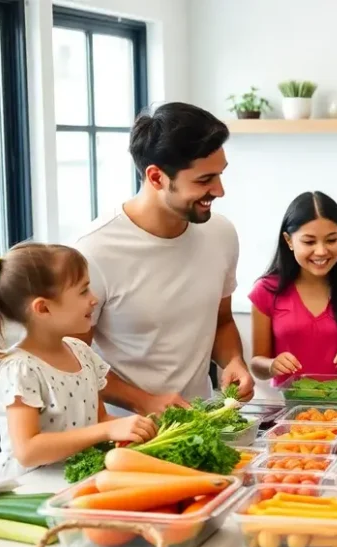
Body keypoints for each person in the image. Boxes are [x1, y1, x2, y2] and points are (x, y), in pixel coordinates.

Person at [74, 102, 254, 416]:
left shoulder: (221, 234)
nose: (220, 190)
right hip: (124, 437)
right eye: (204, 180)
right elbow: (70, 361)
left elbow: (221, 321)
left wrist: (233, 361)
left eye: (220, 175)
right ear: (156, 177)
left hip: (201, 424)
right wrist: (144, 402)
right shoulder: (94, 251)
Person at [0, 244, 157, 478]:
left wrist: (136, 429)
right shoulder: (21, 369)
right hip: (26, 490)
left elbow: (100, 419)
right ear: (43, 308)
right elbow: (27, 450)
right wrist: (106, 430)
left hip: (68, 481)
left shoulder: (80, 352)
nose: (94, 299)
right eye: (83, 291)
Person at [249, 191, 337, 385]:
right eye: (309, 241)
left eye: (331, 240)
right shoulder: (266, 291)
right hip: (288, 407)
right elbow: (256, 364)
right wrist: (271, 365)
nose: (321, 251)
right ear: (288, 241)